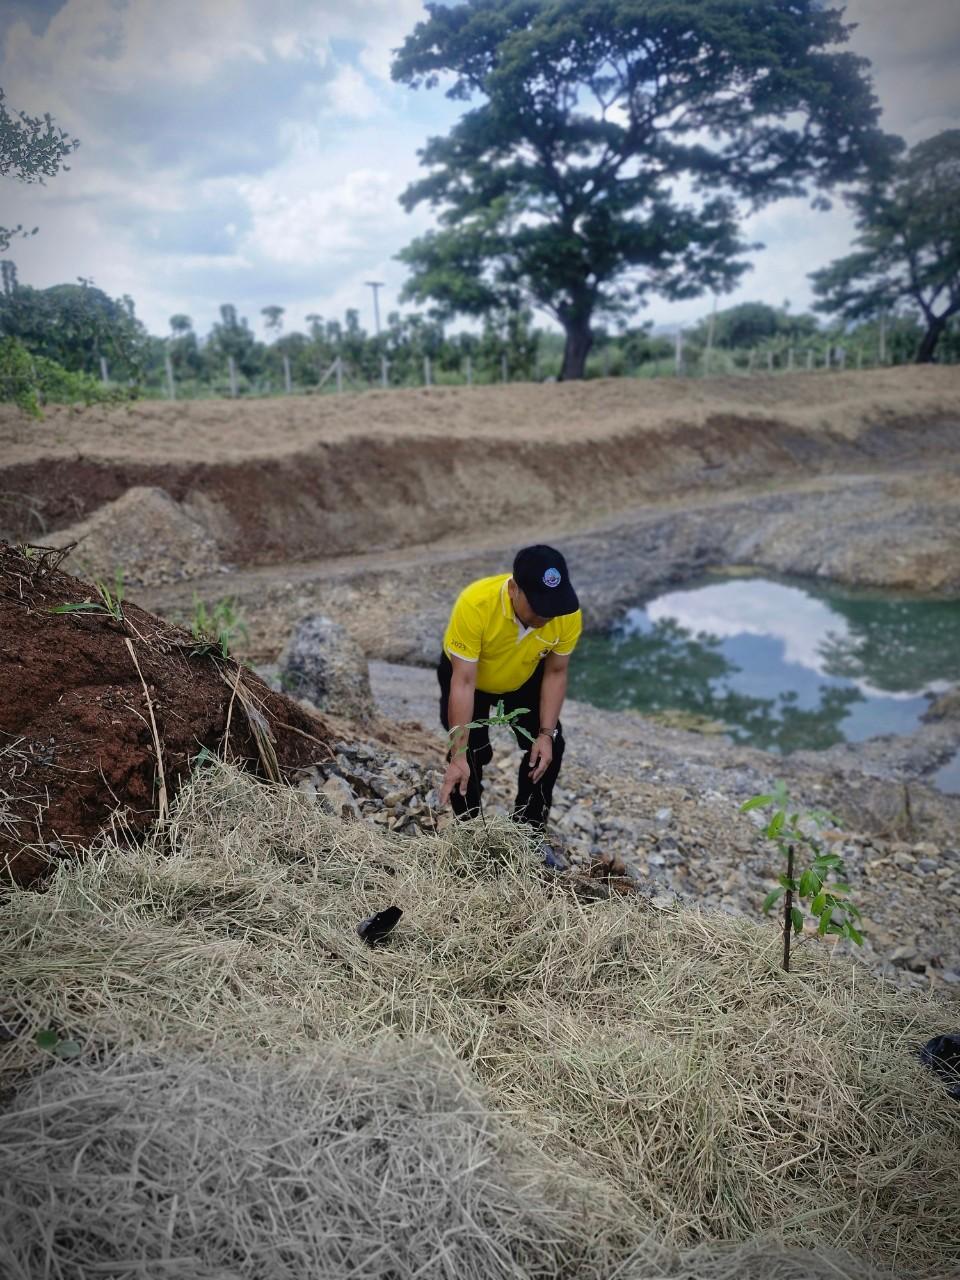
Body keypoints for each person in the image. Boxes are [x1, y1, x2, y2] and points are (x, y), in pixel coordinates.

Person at [437, 545, 581, 830]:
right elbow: (463, 682)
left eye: (552, 607)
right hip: (469, 678)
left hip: (523, 674)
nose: (546, 618)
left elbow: (555, 672)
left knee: (551, 746)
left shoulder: (565, 614)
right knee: (469, 752)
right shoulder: (476, 603)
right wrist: (459, 752)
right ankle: (470, 830)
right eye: (539, 607)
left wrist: (545, 734)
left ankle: (528, 831)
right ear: (514, 589)